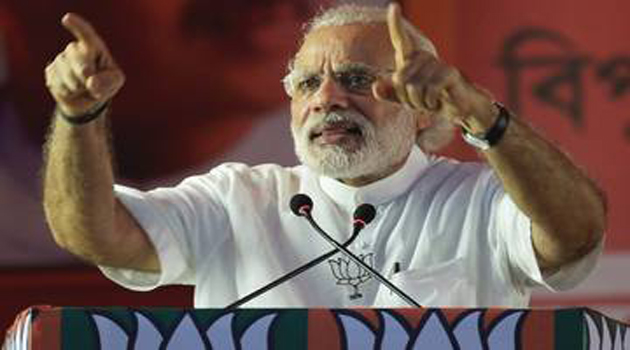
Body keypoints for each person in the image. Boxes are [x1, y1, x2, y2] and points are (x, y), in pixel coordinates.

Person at [42, 3, 606, 308]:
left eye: (358, 79)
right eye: (306, 84)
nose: (327, 99)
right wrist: (77, 116)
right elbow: (93, 232)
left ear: (426, 112)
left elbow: (575, 232)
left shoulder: (480, 201)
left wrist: (481, 115)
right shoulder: (237, 199)